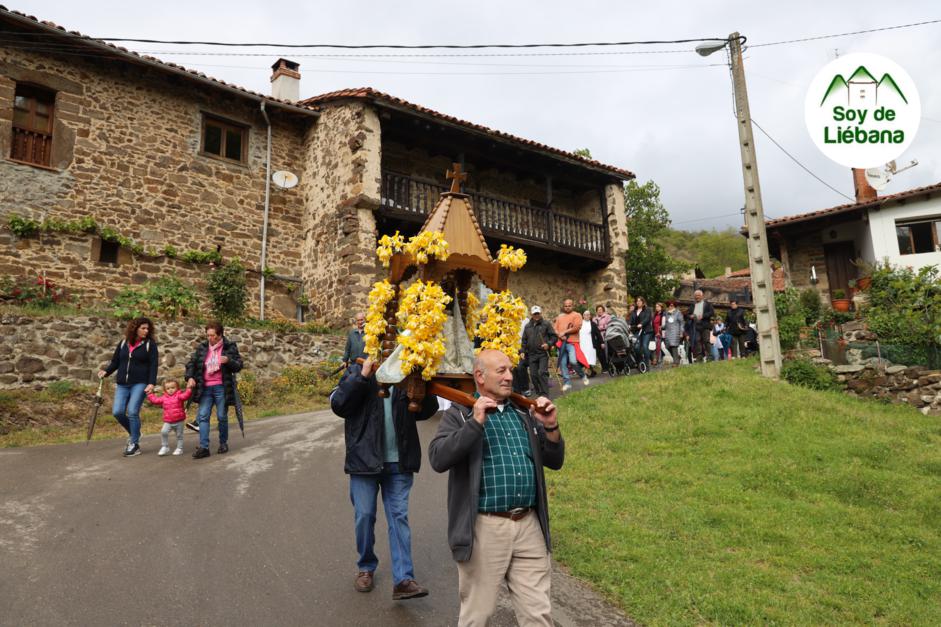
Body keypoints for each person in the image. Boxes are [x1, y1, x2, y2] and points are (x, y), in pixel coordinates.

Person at [429, 349, 565, 627]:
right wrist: (475, 423)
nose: (509, 376)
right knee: (477, 616)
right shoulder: (460, 414)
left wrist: (551, 427)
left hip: (528, 525)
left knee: (538, 615)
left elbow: (554, 460)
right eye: (501, 370)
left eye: (510, 370)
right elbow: (438, 458)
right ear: (480, 376)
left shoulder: (523, 413)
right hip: (485, 528)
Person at [330, 356, 437, 600]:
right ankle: (366, 567)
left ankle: (403, 579)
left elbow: (426, 412)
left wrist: (421, 385)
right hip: (364, 460)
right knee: (364, 516)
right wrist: (362, 377)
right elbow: (339, 405)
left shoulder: (407, 368)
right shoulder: (357, 368)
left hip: (400, 460)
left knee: (398, 517)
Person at [98, 317, 159, 457]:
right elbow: (115, 362)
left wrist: (151, 383)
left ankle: (134, 444)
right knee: (117, 412)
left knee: (132, 412)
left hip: (140, 383)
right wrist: (106, 372)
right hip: (122, 384)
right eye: (143, 328)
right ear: (135, 328)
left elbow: (153, 365)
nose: (146, 331)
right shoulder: (123, 343)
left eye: (148, 328)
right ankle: (135, 432)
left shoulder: (150, 344)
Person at [185, 321, 243, 459]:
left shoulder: (229, 346)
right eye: (208, 335)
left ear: (220, 334)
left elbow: (239, 365)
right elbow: (192, 363)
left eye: (213, 336)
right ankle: (204, 447)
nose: (210, 338)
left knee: (222, 417)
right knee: (203, 416)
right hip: (205, 387)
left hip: (221, 387)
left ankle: (223, 443)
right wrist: (190, 377)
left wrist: (228, 360)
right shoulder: (203, 347)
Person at [146, 378, 191, 456]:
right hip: (168, 421)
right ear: (165, 390)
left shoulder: (179, 396)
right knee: (164, 432)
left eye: (173, 388)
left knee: (179, 435)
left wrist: (189, 388)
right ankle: (165, 446)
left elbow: (186, 396)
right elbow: (155, 400)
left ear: (177, 388)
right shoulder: (164, 398)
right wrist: (150, 394)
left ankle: (179, 448)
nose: (170, 390)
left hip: (179, 420)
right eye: (168, 388)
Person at [521, 306, 557, 398]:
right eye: (534, 314)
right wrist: (523, 351)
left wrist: (548, 344)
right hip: (531, 354)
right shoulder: (527, 326)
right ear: (531, 314)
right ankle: (539, 392)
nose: (536, 315)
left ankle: (545, 394)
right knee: (533, 375)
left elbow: (554, 337)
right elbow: (524, 340)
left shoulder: (546, 324)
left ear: (540, 313)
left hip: (542, 354)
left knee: (542, 373)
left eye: (538, 313)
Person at [553, 299, 588, 392]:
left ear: (572, 306)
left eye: (569, 305)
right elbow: (555, 328)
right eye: (566, 306)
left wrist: (564, 332)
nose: (567, 307)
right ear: (563, 306)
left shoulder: (577, 315)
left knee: (573, 361)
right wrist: (559, 335)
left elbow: (577, 327)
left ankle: (582, 375)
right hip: (561, 343)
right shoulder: (560, 317)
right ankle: (567, 383)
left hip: (572, 342)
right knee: (563, 364)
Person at [688, 290, 715, 362]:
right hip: (696, 326)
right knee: (697, 341)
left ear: (702, 296)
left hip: (705, 325)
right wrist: (690, 316)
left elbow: (712, 313)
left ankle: (710, 356)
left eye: (699, 295)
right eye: (696, 295)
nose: (697, 297)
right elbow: (688, 314)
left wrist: (703, 316)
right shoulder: (692, 305)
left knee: (706, 341)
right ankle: (699, 357)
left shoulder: (707, 304)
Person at [629, 297, 653, 368]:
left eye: (640, 301)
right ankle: (641, 362)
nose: (638, 302)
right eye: (637, 301)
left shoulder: (647, 310)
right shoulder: (634, 311)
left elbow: (647, 318)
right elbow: (631, 320)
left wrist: (641, 324)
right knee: (636, 347)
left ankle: (647, 363)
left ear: (643, 302)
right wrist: (629, 325)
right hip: (637, 331)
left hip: (646, 331)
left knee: (645, 346)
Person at [662, 301, 684, 367]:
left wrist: (681, 332)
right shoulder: (666, 313)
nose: (670, 306)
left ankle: (676, 362)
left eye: (672, 305)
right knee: (667, 346)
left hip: (675, 331)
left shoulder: (678, 312)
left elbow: (682, 323)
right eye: (669, 305)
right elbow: (666, 323)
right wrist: (662, 327)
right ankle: (677, 357)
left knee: (674, 346)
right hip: (668, 332)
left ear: (674, 306)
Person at [579, 311, 598, 375]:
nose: (587, 316)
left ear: (590, 316)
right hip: (582, 343)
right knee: (584, 357)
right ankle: (590, 371)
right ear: (583, 316)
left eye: (588, 315)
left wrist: (601, 342)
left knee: (589, 357)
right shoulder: (580, 323)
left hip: (590, 343)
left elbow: (597, 333)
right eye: (585, 315)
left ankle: (587, 371)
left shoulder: (593, 324)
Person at [652, 302, 665, 367]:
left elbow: (663, 324)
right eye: (656, 307)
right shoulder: (655, 314)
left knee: (658, 347)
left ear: (661, 307)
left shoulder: (663, 314)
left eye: (658, 306)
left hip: (661, 333)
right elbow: (653, 324)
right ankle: (658, 360)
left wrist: (659, 332)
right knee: (657, 347)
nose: (656, 308)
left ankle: (659, 361)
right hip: (655, 332)